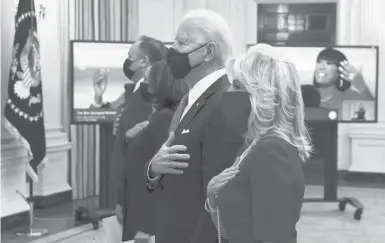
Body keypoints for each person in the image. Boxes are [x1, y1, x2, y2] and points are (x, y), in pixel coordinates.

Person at [143, 9, 244, 243]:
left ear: (208, 51)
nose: (172, 50)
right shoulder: (189, 98)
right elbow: (171, 165)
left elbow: (220, 193)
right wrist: (153, 170)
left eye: (183, 42)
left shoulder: (227, 100)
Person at [205, 43, 313, 243]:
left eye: (237, 85)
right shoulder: (251, 145)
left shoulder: (272, 152)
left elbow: (273, 237)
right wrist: (212, 198)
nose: (228, 92)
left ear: (261, 96)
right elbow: (231, 230)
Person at [119, 60, 189, 242]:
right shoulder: (163, 114)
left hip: (145, 212)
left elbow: (161, 176)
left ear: (161, 84)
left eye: (148, 80)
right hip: (138, 202)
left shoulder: (164, 118)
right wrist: (129, 139)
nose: (146, 86)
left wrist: (147, 226)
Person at [108, 36, 167, 212]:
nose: (127, 61)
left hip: (135, 196)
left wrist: (123, 198)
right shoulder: (135, 92)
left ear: (143, 61)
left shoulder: (149, 96)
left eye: (130, 56)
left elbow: (140, 153)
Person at [313, 47, 374, 119]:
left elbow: (371, 114)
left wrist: (361, 86)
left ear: (340, 71)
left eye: (329, 63)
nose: (321, 67)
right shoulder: (302, 95)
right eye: (319, 62)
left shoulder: (349, 97)